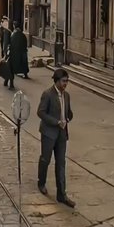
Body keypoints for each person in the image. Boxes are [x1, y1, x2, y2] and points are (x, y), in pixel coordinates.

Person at [37, 69, 75, 207]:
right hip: (48, 133)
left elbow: (68, 112)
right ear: (57, 81)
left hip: (62, 134)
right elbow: (40, 112)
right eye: (63, 81)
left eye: (67, 81)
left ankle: (62, 194)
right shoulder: (47, 94)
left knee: (61, 163)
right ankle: (41, 182)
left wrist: (68, 118)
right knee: (45, 159)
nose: (66, 84)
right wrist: (56, 122)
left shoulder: (67, 96)